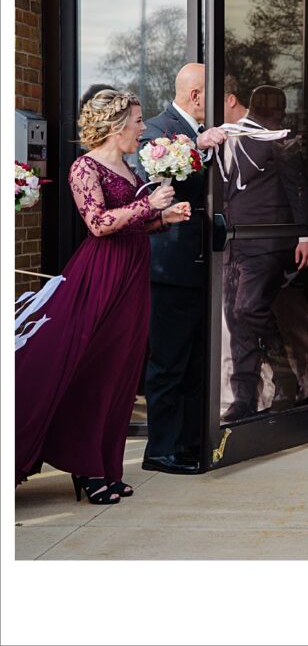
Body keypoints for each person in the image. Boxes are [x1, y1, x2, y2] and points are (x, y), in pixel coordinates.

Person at [15, 89, 191, 501]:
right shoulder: (84, 167)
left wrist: (163, 217)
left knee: (121, 373)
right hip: (102, 275)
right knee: (94, 370)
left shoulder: (128, 167)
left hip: (134, 273)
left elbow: (133, 224)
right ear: (116, 127)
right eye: (137, 121)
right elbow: (97, 223)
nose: (143, 128)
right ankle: (87, 467)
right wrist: (149, 206)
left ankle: (107, 467)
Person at [131, 63, 227, 475]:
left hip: (204, 263)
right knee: (169, 361)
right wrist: (197, 146)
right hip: (170, 267)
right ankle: (161, 449)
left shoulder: (197, 131)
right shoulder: (156, 131)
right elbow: (157, 180)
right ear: (195, 95)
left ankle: (189, 443)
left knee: (195, 362)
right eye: (212, 92)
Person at [221, 85, 308, 422]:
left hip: (267, 240)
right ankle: (245, 398)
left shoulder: (275, 137)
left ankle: (281, 368)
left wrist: (305, 234)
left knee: (248, 308)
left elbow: (296, 187)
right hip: (231, 241)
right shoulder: (219, 138)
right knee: (235, 318)